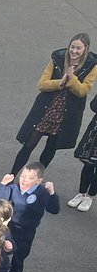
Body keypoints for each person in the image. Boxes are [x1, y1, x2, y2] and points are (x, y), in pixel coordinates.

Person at [12, 33, 97, 175]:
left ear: (85, 49)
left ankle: (36, 179)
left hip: (66, 114)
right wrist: (60, 82)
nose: (74, 51)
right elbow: (42, 84)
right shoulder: (57, 58)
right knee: (29, 144)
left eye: (79, 48)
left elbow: (83, 90)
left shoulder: (91, 66)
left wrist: (72, 80)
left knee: (51, 148)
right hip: (47, 109)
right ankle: (12, 175)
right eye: (72, 47)